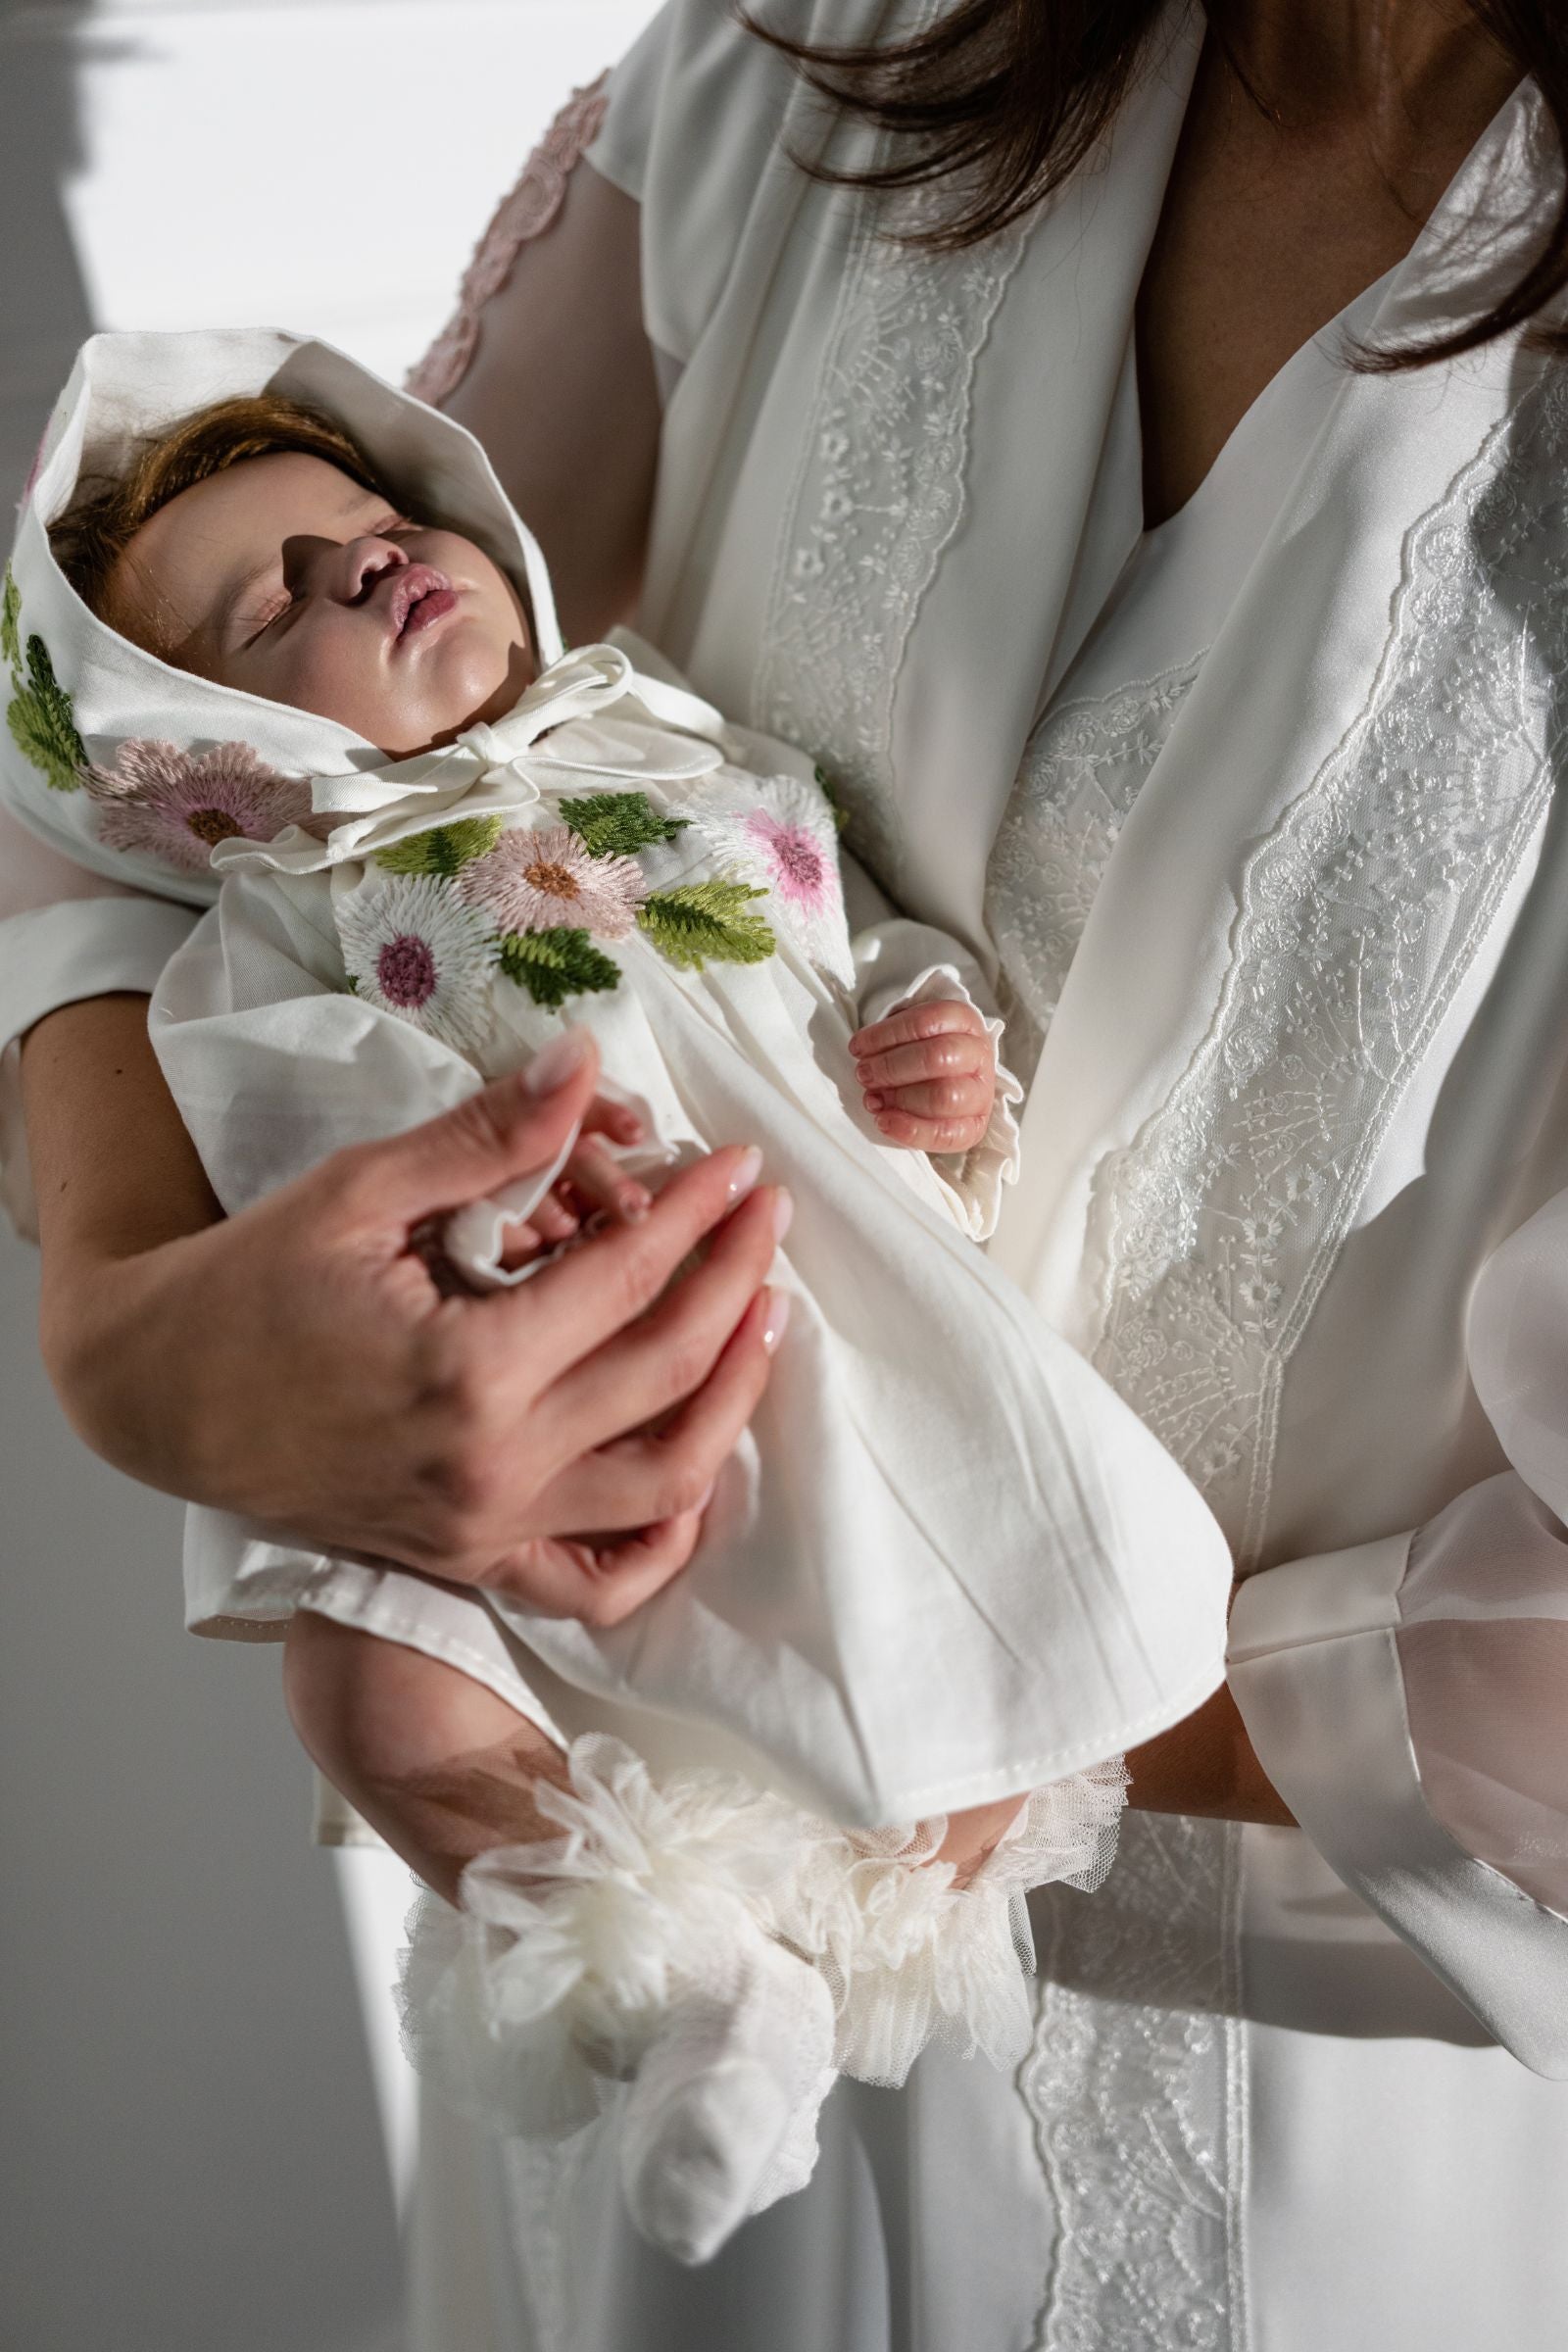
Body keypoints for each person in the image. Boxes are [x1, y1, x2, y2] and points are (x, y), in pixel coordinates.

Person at [7, 1, 1568, 2345]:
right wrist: (139, 1319)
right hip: (644, 2170)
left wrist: (869, 1657)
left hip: (1310, 2156)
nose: (356, 578)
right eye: (294, 581)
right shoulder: (835, 48)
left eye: (352, 551)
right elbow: (141, 794)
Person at [1, 328, 1228, 2261]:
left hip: (792, 1272)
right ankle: (686, 1987)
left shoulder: (674, 746)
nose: (365, 568)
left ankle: (838, 1924)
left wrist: (929, 1034)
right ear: (205, 764)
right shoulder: (267, 928)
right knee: (369, 1702)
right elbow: (285, 1164)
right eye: (275, 604)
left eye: (378, 520)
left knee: (971, 1613)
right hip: (524, 1357)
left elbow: (840, 916)